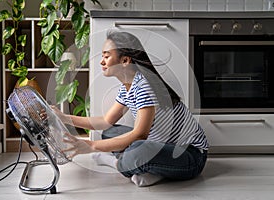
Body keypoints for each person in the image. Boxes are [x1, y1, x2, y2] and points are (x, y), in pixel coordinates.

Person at [47, 31, 209, 187]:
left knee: (141, 150)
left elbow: (140, 134)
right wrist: (64, 117)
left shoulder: (145, 86)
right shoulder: (128, 87)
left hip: (190, 156)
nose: (101, 61)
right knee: (109, 133)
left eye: (107, 56)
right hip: (160, 145)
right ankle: (151, 169)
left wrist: (91, 146)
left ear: (125, 61)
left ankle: (118, 163)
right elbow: (105, 121)